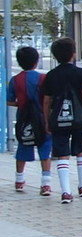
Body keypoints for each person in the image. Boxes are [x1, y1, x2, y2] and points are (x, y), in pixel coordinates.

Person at [40, 37, 82, 204]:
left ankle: (65, 191)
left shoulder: (51, 76)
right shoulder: (80, 73)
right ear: (73, 55)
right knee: (81, 151)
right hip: (79, 119)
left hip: (58, 120)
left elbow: (47, 101)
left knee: (62, 154)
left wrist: (46, 121)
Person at [7, 46, 54, 196]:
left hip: (24, 118)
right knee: (45, 149)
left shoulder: (15, 80)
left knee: (23, 146)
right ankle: (45, 184)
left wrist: (21, 104)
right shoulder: (43, 78)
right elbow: (49, 99)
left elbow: (9, 101)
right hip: (42, 117)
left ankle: (19, 180)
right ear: (36, 61)